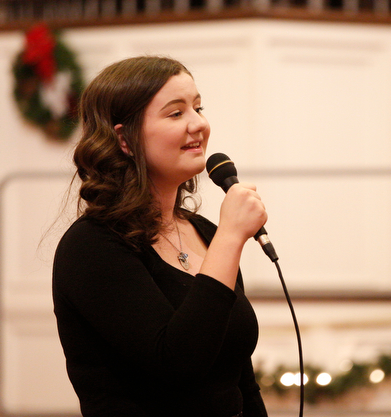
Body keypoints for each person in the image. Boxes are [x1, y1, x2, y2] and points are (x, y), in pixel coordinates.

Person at [52, 56, 269, 417]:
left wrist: (223, 237)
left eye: (199, 108)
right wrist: (231, 237)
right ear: (124, 138)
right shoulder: (91, 245)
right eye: (176, 113)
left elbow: (240, 379)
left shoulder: (204, 233)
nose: (199, 124)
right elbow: (178, 363)